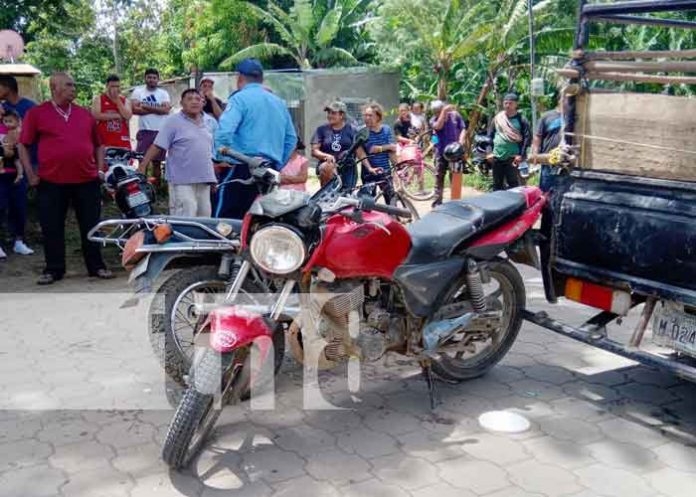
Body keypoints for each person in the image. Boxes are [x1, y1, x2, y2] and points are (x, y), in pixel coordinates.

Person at [18, 72, 112, 285]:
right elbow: (23, 144)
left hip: (86, 180)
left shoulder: (84, 114)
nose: (73, 88)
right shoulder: (37, 113)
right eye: (69, 85)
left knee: (91, 225)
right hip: (51, 182)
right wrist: (30, 174)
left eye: (73, 85)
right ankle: (54, 269)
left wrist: (99, 170)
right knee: (52, 226)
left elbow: (99, 145)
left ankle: (96, 266)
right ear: (55, 87)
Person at [214, 59, 296, 219]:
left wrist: (220, 157)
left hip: (242, 167)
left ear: (239, 78)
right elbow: (291, 139)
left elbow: (224, 131)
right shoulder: (278, 102)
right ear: (261, 79)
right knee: (260, 221)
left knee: (225, 222)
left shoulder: (239, 99)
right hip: (269, 171)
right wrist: (276, 164)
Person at [139, 89, 217, 217]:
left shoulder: (208, 122)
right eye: (189, 99)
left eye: (198, 99)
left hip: (204, 180)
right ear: (182, 103)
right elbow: (158, 145)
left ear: (203, 103)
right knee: (186, 217)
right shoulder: (173, 121)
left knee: (205, 218)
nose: (194, 102)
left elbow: (207, 152)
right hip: (181, 180)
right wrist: (143, 165)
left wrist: (212, 177)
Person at [0, 110, 33, 258]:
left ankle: (19, 241)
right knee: (0, 207)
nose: (1, 109)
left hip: (15, 173)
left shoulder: (15, 126)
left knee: (19, 207)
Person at [131, 68, 171, 187]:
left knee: (157, 163)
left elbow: (165, 110)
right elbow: (134, 109)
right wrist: (157, 110)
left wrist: (144, 106)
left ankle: (156, 189)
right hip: (144, 131)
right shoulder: (138, 92)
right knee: (142, 161)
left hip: (160, 131)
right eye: (149, 77)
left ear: (158, 79)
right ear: (145, 78)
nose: (152, 80)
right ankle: (142, 187)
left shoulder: (163, 93)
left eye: (154, 78)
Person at [486, 93, 531, 191]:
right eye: (505, 103)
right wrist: (489, 152)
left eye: (510, 103)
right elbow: (489, 136)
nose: (507, 106)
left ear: (516, 104)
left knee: (514, 184)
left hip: (513, 158)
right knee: (497, 184)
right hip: (497, 156)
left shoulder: (521, 119)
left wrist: (521, 155)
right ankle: (497, 205)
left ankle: (514, 206)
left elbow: (527, 138)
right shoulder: (498, 119)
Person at [311, 100, 357, 188]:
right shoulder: (321, 130)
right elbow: (314, 151)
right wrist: (326, 156)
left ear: (341, 115)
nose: (329, 116)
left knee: (347, 196)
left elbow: (359, 150)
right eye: (328, 113)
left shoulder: (352, 130)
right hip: (327, 166)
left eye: (333, 113)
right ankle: (327, 195)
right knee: (327, 167)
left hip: (347, 166)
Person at [430, 99, 466, 207]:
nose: (438, 113)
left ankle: (455, 201)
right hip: (441, 153)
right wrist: (443, 113)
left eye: (439, 111)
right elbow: (438, 126)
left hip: (455, 153)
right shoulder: (434, 120)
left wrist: (461, 141)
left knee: (455, 177)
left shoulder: (455, 116)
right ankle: (437, 202)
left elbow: (463, 128)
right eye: (436, 112)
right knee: (439, 177)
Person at [360, 103, 397, 203]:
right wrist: (388, 147)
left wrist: (396, 166)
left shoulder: (386, 129)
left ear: (378, 117)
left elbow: (392, 150)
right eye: (365, 115)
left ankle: (394, 217)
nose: (367, 118)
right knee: (368, 203)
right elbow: (372, 149)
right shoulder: (363, 131)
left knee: (390, 199)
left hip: (384, 170)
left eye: (370, 115)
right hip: (369, 172)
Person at [92, 74, 132, 150]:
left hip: (122, 142)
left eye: (117, 86)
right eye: (112, 86)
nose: (115, 89)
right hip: (104, 142)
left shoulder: (125, 101)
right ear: (107, 86)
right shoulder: (99, 99)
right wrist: (117, 116)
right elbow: (96, 115)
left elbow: (127, 116)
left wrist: (117, 100)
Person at [532, 94, 563, 192]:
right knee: (546, 190)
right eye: (565, 98)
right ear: (559, 100)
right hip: (548, 159)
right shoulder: (547, 116)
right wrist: (535, 154)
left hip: (565, 161)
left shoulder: (572, 116)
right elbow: (538, 136)